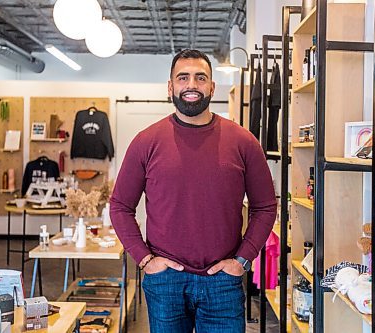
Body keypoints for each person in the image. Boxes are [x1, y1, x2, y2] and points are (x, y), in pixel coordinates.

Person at [110, 49, 277, 333]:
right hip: (165, 280)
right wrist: (144, 258)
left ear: (212, 87)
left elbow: (265, 206)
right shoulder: (146, 142)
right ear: (170, 86)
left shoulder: (244, 142)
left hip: (223, 280)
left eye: (201, 78)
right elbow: (120, 206)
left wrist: (243, 258)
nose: (191, 85)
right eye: (183, 77)